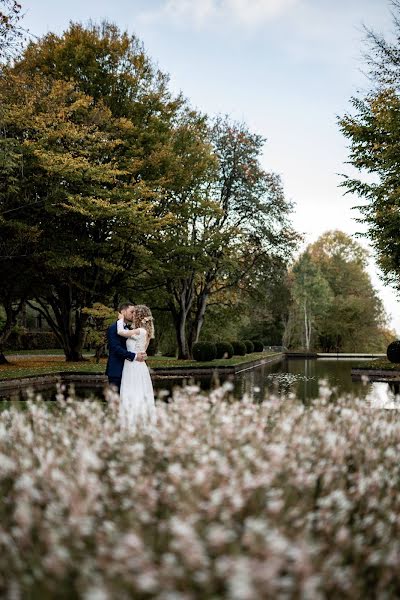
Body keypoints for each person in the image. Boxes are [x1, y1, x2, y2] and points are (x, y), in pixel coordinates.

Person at [117, 304, 156, 430]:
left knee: (133, 391)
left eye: (134, 313)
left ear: (138, 316)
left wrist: (120, 320)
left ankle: (133, 422)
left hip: (133, 365)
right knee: (137, 391)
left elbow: (121, 332)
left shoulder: (140, 331)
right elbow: (142, 349)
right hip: (137, 364)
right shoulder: (144, 332)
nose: (132, 314)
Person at [105, 302, 146, 393]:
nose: (134, 314)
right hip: (117, 370)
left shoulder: (129, 329)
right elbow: (116, 348)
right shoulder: (113, 328)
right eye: (132, 312)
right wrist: (135, 356)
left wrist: (141, 352)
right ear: (123, 312)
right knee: (116, 401)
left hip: (129, 370)